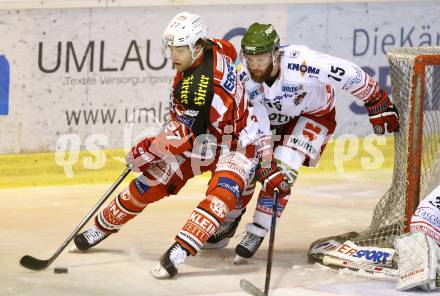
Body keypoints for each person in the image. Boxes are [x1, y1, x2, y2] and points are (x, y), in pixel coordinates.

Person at [72, 13, 286, 279]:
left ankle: (179, 251)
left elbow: (181, 135)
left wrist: (145, 151)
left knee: (222, 196)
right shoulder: (218, 46)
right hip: (204, 137)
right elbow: (229, 53)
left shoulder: (198, 87)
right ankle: (101, 228)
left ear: (196, 47)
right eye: (171, 47)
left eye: (180, 49)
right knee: (150, 183)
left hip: (237, 141)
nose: (173, 55)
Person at [205, 22, 399, 263]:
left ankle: (257, 230)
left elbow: (347, 72)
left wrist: (376, 99)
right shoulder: (245, 77)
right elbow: (258, 121)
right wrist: (265, 161)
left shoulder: (302, 63)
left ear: (276, 53)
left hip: (314, 115)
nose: (254, 65)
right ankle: (232, 217)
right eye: (249, 57)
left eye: (261, 58)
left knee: (285, 167)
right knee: (249, 166)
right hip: (273, 121)